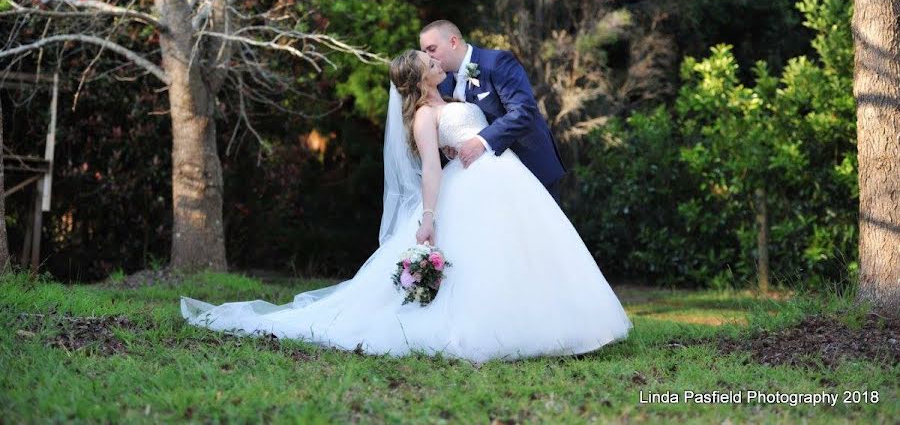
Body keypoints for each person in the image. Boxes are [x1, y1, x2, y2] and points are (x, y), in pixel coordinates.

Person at [181, 50, 631, 363]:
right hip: (470, 187)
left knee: (525, 250)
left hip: (505, 176)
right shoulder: (423, 117)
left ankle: (553, 321)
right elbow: (431, 170)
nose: (436, 61)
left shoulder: (454, 94)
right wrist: (428, 219)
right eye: (428, 62)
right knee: (484, 259)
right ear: (418, 79)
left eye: (434, 57)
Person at [419, 20, 566, 202]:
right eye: (424, 52)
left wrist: (481, 141)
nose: (428, 57)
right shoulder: (444, 82)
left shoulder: (496, 62)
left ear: (453, 42)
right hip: (487, 181)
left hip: (529, 165)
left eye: (431, 49)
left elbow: (523, 110)